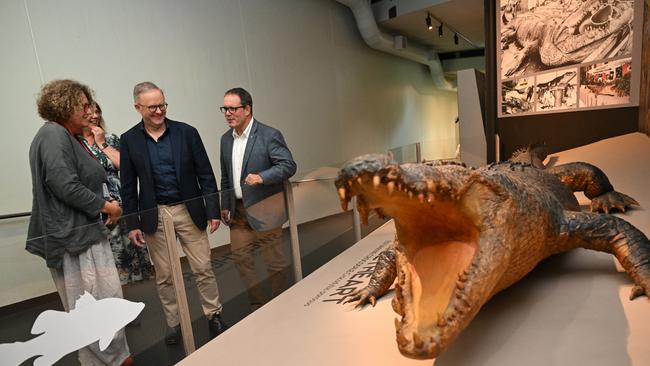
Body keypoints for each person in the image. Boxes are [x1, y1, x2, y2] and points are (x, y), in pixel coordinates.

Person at [26, 79, 132, 366]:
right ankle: (115, 361)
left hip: (82, 233)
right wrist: (105, 205)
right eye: (83, 105)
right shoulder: (53, 135)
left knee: (101, 303)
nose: (90, 111)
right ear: (65, 106)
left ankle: (108, 360)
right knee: (96, 307)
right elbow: (63, 183)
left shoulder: (64, 136)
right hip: (74, 238)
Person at [120, 81, 227, 345]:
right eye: (152, 106)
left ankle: (214, 314)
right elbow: (128, 187)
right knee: (166, 276)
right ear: (138, 107)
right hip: (155, 217)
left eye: (162, 104)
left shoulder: (187, 133)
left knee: (203, 267)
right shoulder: (129, 140)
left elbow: (206, 174)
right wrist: (132, 223)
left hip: (188, 210)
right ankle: (174, 324)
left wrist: (212, 209)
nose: (159, 111)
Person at [219, 87, 297, 312]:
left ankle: (282, 305)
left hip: (265, 208)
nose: (228, 113)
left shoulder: (269, 135)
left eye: (233, 108)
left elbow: (288, 165)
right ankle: (258, 306)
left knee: (274, 262)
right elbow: (225, 176)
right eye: (225, 108)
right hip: (238, 213)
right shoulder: (225, 140)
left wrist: (262, 177)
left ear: (247, 109)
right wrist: (225, 205)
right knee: (241, 260)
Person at [77, 102, 154, 285]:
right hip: (97, 204)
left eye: (98, 112)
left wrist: (102, 143)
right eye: (90, 113)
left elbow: (125, 166)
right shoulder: (74, 144)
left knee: (129, 247)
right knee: (107, 258)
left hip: (122, 202)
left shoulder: (111, 139)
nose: (95, 116)